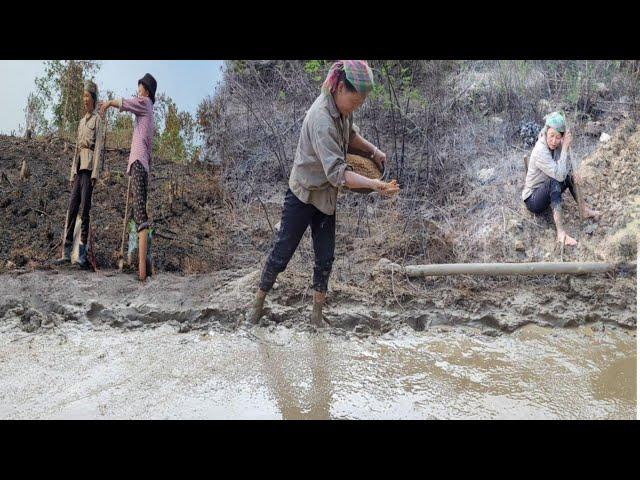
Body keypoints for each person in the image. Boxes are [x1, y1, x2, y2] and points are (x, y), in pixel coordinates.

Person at [246, 60, 400, 328]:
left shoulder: (342, 109)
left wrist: (373, 151)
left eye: (360, 103)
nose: (356, 107)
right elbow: (338, 174)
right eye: (355, 101)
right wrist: (375, 185)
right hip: (304, 193)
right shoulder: (321, 119)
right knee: (282, 252)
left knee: (325, 257)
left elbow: (350, 135)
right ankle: (257, 305)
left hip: (326, 196)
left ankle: (316, 317)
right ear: (340, 88)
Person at [99, 73, 157, 281]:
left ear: (146, 90)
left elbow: (125, 103)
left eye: (140, 87)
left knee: (140, 214)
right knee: (137, 212)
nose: (138, 90)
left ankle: (142, 271)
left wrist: (107, 103)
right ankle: (141, 264)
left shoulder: (144, 102)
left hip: (139, 164)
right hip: (142, 164)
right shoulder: (148, 111)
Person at [522, 111, 600, 246]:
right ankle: (561, 234)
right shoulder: (540, 150)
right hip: (533, 199)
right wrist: (564, 147)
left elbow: (564, 168)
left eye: (558, 137)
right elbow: (558, 175)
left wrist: (573, 174)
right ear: (546, 132)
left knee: (569, 175)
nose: (554, 141)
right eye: (551, 136)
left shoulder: (557, 145)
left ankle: (584, 210)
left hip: (545, 190)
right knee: (555, 181)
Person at [55, 80, 103, 268]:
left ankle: (82, 255)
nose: (84, 99)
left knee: (85, 210)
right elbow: (76, 149)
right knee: (72, 208)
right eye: (83, 96)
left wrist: (95, 174)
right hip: (79, 169)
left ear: (93, 98)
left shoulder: (97, 120)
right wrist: (72, 173)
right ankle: (66, 252)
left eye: (87, 96)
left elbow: (99, 147)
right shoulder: (82, 122)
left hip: (89, 169)